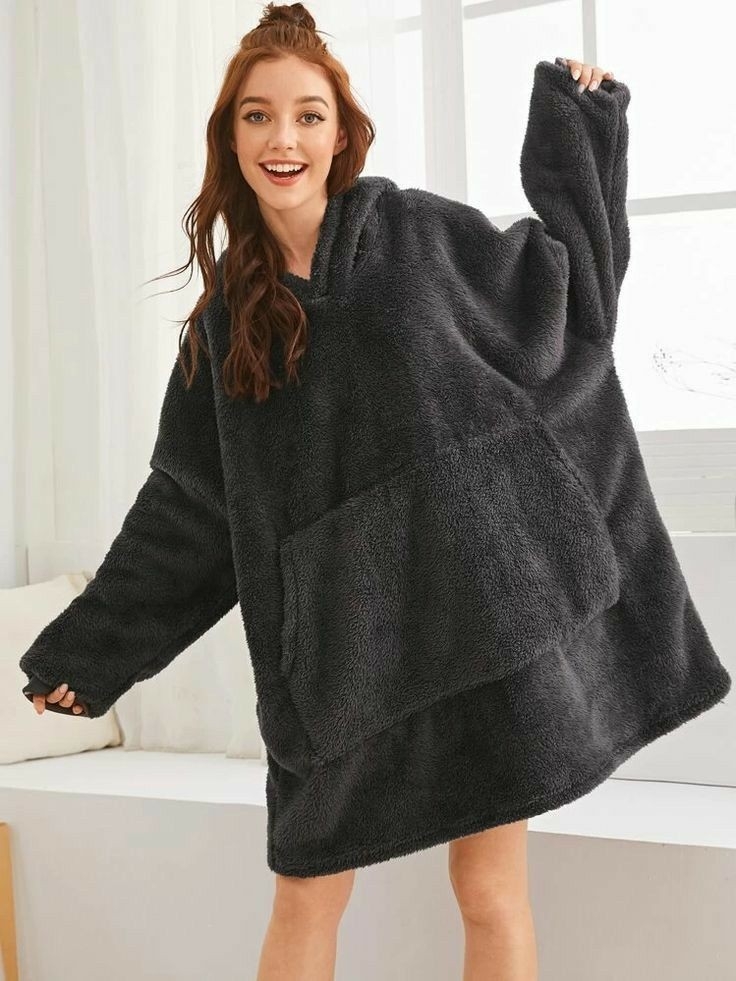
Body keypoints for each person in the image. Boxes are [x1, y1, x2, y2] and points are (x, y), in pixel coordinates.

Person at [22, 4, 731, 980]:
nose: (284, 138)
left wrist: (579, 125)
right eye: (259, 115)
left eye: (308, 115)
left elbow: (567, 299)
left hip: (486, 622)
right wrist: (94, 654)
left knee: (489, 891)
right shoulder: (226, 323)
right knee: (307, 895)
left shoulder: (419, 235)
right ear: (231, 138)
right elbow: (189, 510)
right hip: (346, 652)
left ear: (340, 134)